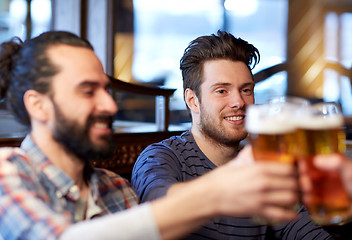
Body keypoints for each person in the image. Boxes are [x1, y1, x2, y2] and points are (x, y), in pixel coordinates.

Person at [0, 31, 301, 240]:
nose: (110, 104)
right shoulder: (7, 174)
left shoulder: (116, 189)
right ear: (37, 105)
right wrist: (219, 191)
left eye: (106, 90)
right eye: (88, 91)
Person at [131, 31, 332, 239]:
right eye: (221, 91)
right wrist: (224, 187)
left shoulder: (262, 162)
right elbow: (156, 214)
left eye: (246, 90)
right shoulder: (161, 157)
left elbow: (303, 231)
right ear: (192, 101)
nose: (239, 102)